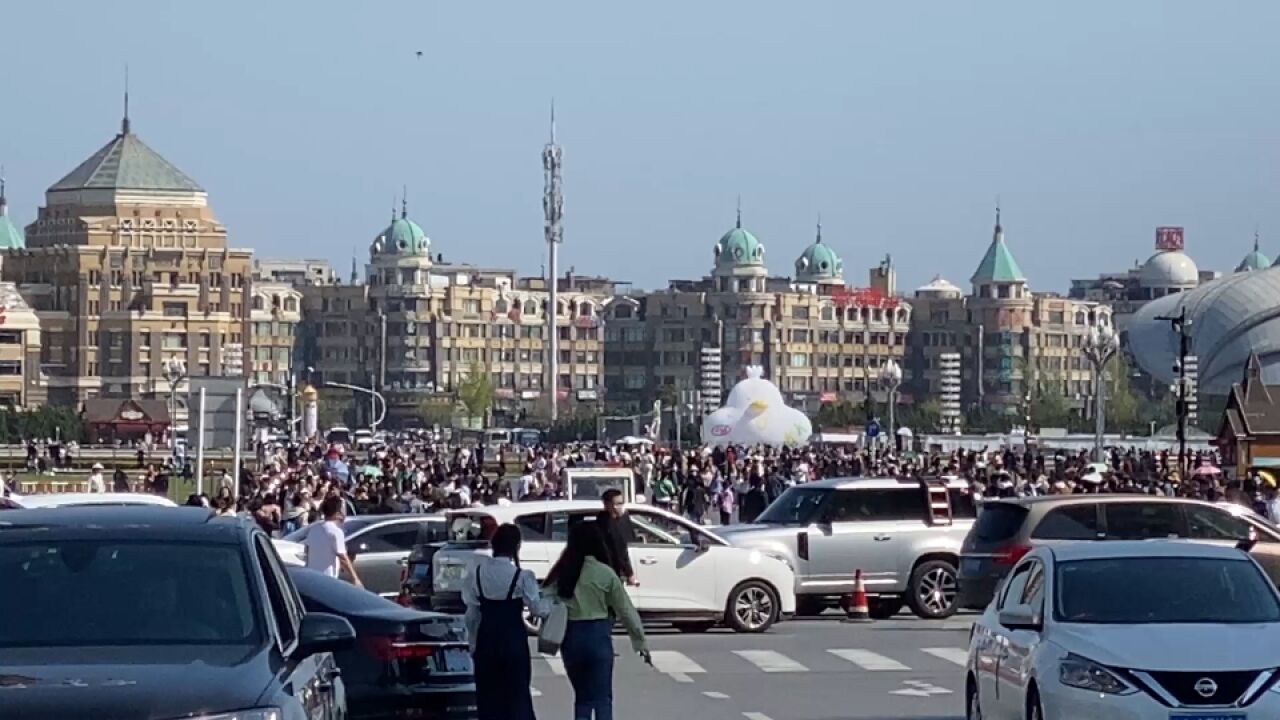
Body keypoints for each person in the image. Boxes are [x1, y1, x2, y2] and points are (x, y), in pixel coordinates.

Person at [545, 521, 649, 720]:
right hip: (598, 636)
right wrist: (639, 641)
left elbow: (543, 599)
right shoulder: (605, 573)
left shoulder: (563, 573)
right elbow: (626, 610)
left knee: (582, 698)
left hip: (571, 637)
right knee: (603, 697)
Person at [463, 524, 548, 720]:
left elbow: (472, 614)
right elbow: (537, 608)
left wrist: (473, 643)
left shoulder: (477, 574)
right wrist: (552, 606)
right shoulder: (522, 576)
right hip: (513, 641)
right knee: (518, 695)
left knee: (488, 698)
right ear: (516, 546)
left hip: (486, 640)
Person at [303, 496, 362, 587]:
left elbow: (307, 551)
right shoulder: (335, 532)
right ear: (337, 514)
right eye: (343, 510)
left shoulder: (314, 529)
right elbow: (343, 557)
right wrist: (355, 579)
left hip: (312, 577)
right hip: (328, 580)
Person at [594, 489, 636, 585]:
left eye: (622, 503)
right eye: (618, 504)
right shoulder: (607, 524)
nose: (621, 507)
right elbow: (620, 550)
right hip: (610, 572)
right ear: (608, 505)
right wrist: (629, 573)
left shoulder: (622, 519)